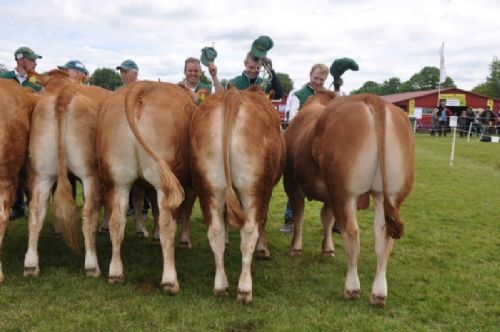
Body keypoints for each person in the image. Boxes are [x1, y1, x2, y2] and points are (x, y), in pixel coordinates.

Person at [280, 63, 330, 234]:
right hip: (299, 141)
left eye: (321, 79)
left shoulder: (329, 97)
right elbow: (293, 118)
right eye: (315, 78)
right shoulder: (298, 94)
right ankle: (289, 218)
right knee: (293, 179)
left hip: (322, 143)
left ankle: (334, 221)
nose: (317, 82)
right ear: (310, 75)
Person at [0, 47, 43, 220]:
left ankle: (34, 205)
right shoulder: (4, 79)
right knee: (10, 171)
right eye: (32, 60)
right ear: (21, 59)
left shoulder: (36, 81)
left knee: (31, 173)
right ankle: (16, 206)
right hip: (10, 134)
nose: (35, 63)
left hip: (32, 133)